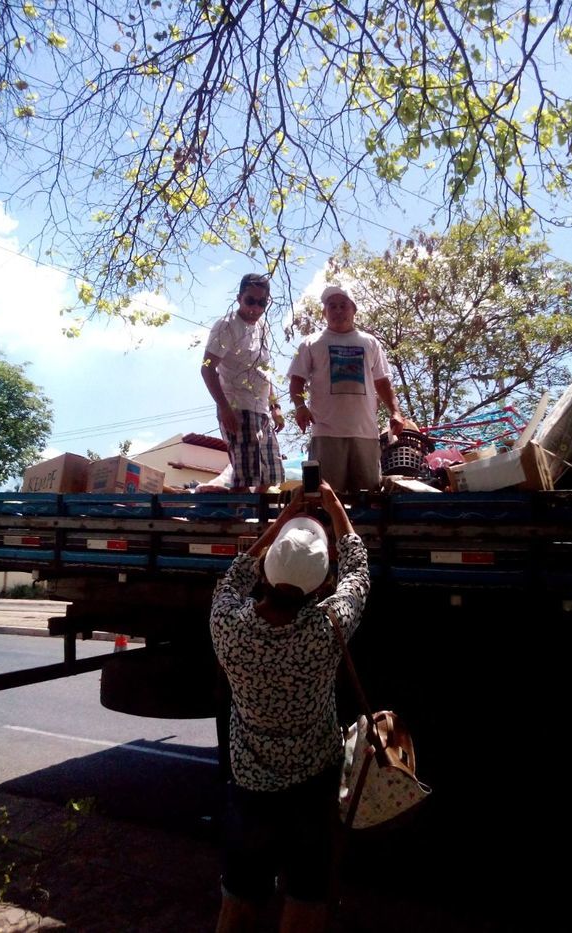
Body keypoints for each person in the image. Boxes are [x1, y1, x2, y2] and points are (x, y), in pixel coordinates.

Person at [209, 481, 369, 933]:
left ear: (268, 566)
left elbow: (236, 573)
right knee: (306, 901)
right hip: (313, 786)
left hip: (249, 787)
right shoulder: (327, 629)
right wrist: (335, 507)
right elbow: (358, 570)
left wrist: (283, 519)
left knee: (238, 904)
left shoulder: (226, 624)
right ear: (320, 581)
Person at [287, 284, 405, 493]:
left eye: (343, 305)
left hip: (365, 434)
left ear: (354, 309)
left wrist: (395, 411)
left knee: (368, 494)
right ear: (324, 312)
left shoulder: (370, 343)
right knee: (325, 496)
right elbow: (296, 379)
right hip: (326, 433)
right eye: (332, 306)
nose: (338, 311)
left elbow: (382, 382)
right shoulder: (311, 343)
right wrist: (300, 406)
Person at [201, 273, 285, 492]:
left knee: (269, 476)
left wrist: (275, 407)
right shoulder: (226, 326)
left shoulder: (263, 329)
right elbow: (207, 368)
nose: (255, 308)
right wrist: (225, 408)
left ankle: (255, 520)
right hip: (238, 410)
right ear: (239, 298)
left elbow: (265, 372)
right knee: (246, 478)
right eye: (250, 301)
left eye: (261, 303)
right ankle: (232, 518)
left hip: (262, 412)